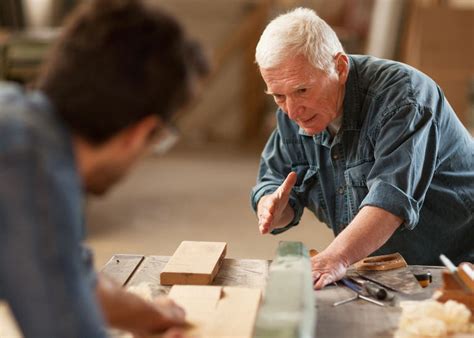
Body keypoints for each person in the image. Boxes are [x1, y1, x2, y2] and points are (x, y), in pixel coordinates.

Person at [0, 0, 208, 337]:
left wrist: (150, 316)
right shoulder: (33, 174)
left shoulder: (16, 116)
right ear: (139, 132)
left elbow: (70, 276)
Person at [251, 8, 473, 289]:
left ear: (340, 68)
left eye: (302, 91)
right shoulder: (294, 112)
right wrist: (271, 207)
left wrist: (335, 258)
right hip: (394, 267)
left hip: (461, 261)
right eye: (278, 96)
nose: (292, 110)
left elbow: (390, 200)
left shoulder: (404, 100)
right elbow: (272, 182)